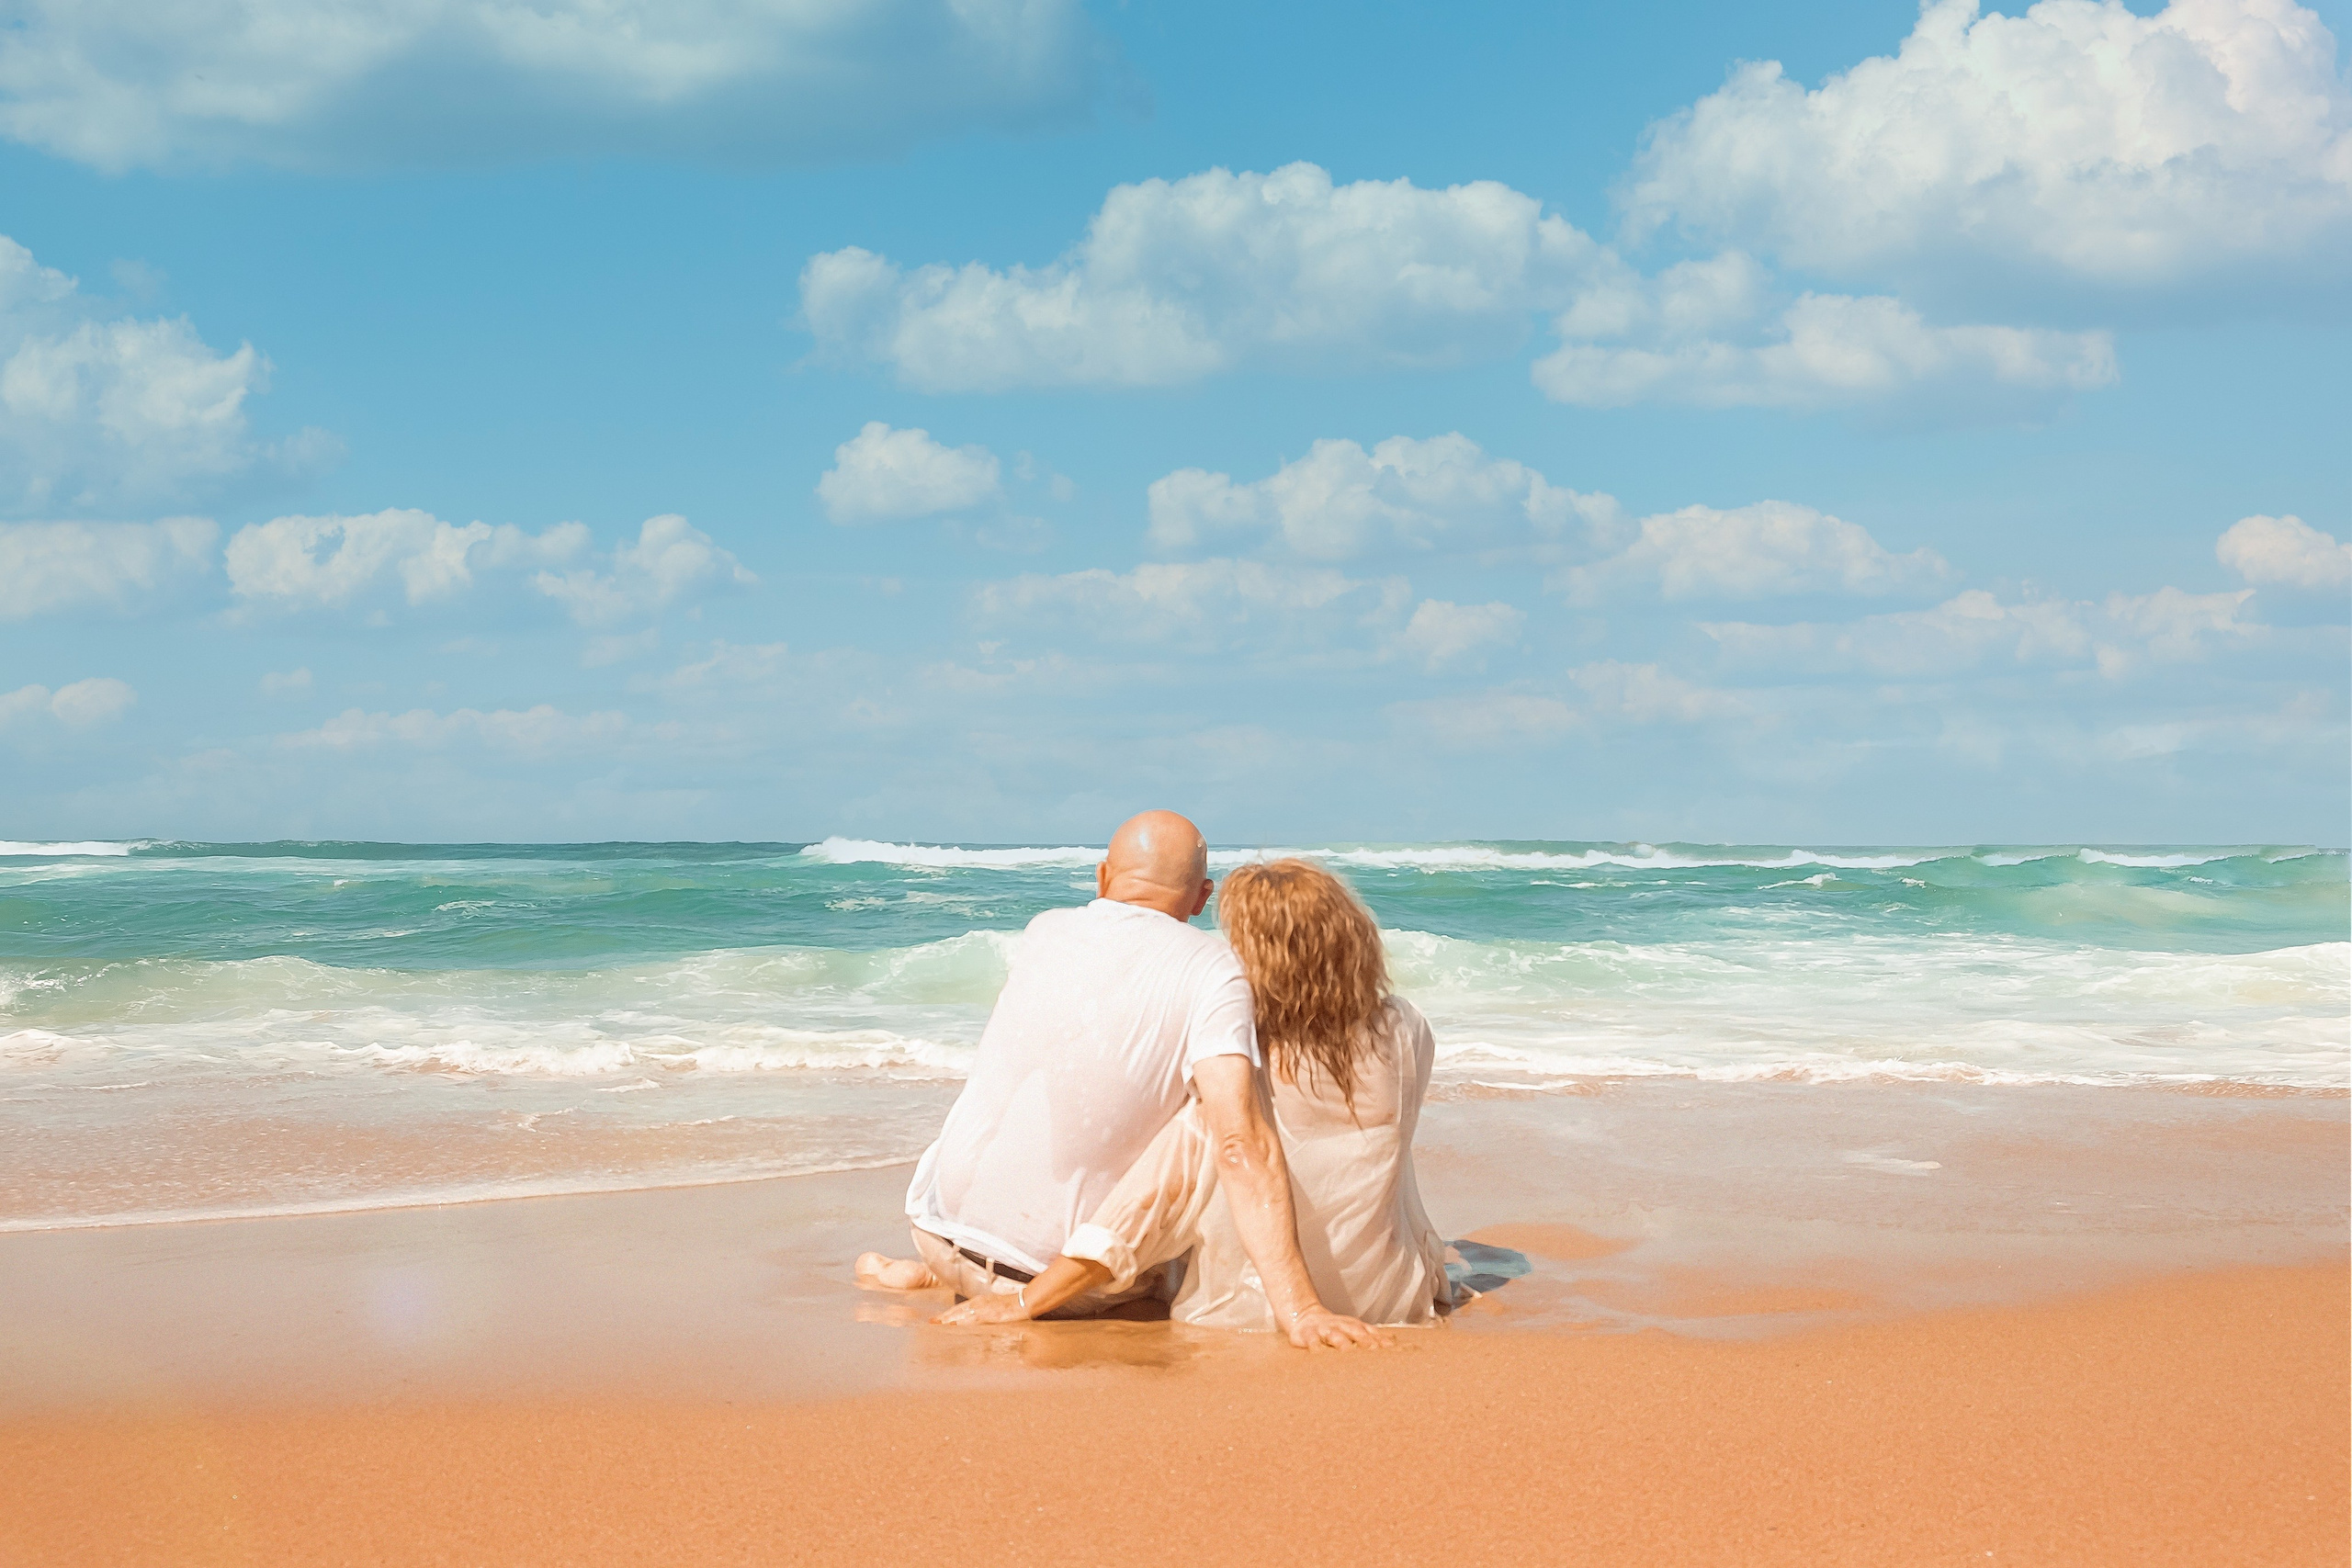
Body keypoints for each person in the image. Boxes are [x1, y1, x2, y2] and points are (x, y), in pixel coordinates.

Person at [854, 812, 1382, 1350]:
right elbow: (1238, 1145)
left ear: (1103, 877)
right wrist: (1302, 1308)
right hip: (1052, 1288)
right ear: (1202, 899)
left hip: (934, 1232)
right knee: (1210, 1116)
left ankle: (934, 1275)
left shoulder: (1045, 931)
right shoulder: (1213, 969)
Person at [932, 856, 1452, 1332]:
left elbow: (1144, 1207)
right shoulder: (1408, 1030)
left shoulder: (1239, 1076)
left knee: (1184, 1194)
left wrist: (1023, 1303)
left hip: (1250, 1310)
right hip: (1394, 1296)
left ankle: (939, 1270)